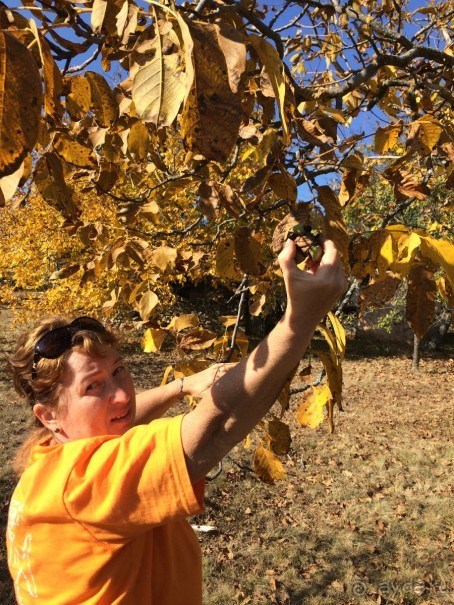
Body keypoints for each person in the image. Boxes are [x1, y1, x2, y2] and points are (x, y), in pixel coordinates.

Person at [6, 239, 346, 604]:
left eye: (119, 371)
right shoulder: (86, 484)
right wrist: (301, 320)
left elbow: (123, 414)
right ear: (50, 416)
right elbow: (215, 427)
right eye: (93, 387)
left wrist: (180, 387)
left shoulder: (52, 456)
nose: (121, 394)